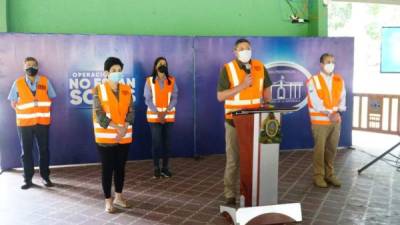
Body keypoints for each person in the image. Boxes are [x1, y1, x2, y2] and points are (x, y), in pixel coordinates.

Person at [217, 39, 272, 205]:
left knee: (254, 160)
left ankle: (251, 192)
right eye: (241, 49)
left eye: (248, 48)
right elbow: (220, 96)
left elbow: (267, 89)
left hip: (256, 121)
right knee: (233, 160)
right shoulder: (228, 68)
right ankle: (230, 193)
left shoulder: (260, 66)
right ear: (235, 52)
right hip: (234, 122)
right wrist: (241, 86)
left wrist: (268, 103)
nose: (245, 51)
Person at [92, 57, 134, 213]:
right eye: (114, 71)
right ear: (106, 73)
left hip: (124, 137)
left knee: (120, 168)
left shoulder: (126, 89)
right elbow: (99, 114)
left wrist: (125, 127)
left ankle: (119, 197)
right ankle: (108, 201)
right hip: (106, 138)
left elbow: (131, 111)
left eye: (119, 71)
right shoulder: (98, 89)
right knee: (107, 169)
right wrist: (117, 127)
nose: (117, 73)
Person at [8, 57, 56, 190]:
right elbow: (13, 103)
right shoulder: (17, 83)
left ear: (37, 67)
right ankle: (27, 179)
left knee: (44, 151)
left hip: (42, 122)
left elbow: (51, 96)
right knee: (26, 152)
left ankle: (46, 177)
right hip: (24, 123)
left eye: (33, 65)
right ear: (24, 68)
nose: (31, 67)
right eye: (28, 65)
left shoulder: (45, 81)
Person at [306, 53, 346, 188]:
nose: (331, 64)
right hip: (320, 122)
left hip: (335, 121)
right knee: (320, 149)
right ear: (321, 65)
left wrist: (338, 112)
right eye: (328, 62)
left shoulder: (339, 80)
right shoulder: (313, 80)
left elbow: (342, 99)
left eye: (333, 62)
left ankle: (330, 174)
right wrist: (330, 114)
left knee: (332, 149)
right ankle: (318, 176)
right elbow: (316, 102)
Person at [144, 57, 178, 178]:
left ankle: (165, 168)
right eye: (160, 63)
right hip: (154, 118)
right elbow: (147, 99)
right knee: (156, 143)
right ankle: (156, 168)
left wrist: (166, 111)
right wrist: (159, 113)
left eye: (164, 64)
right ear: (155, 66)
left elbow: (175, 97)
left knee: (167, 144)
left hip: (168, 117)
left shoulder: (172, 80)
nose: (162, 65)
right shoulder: (149, 81)